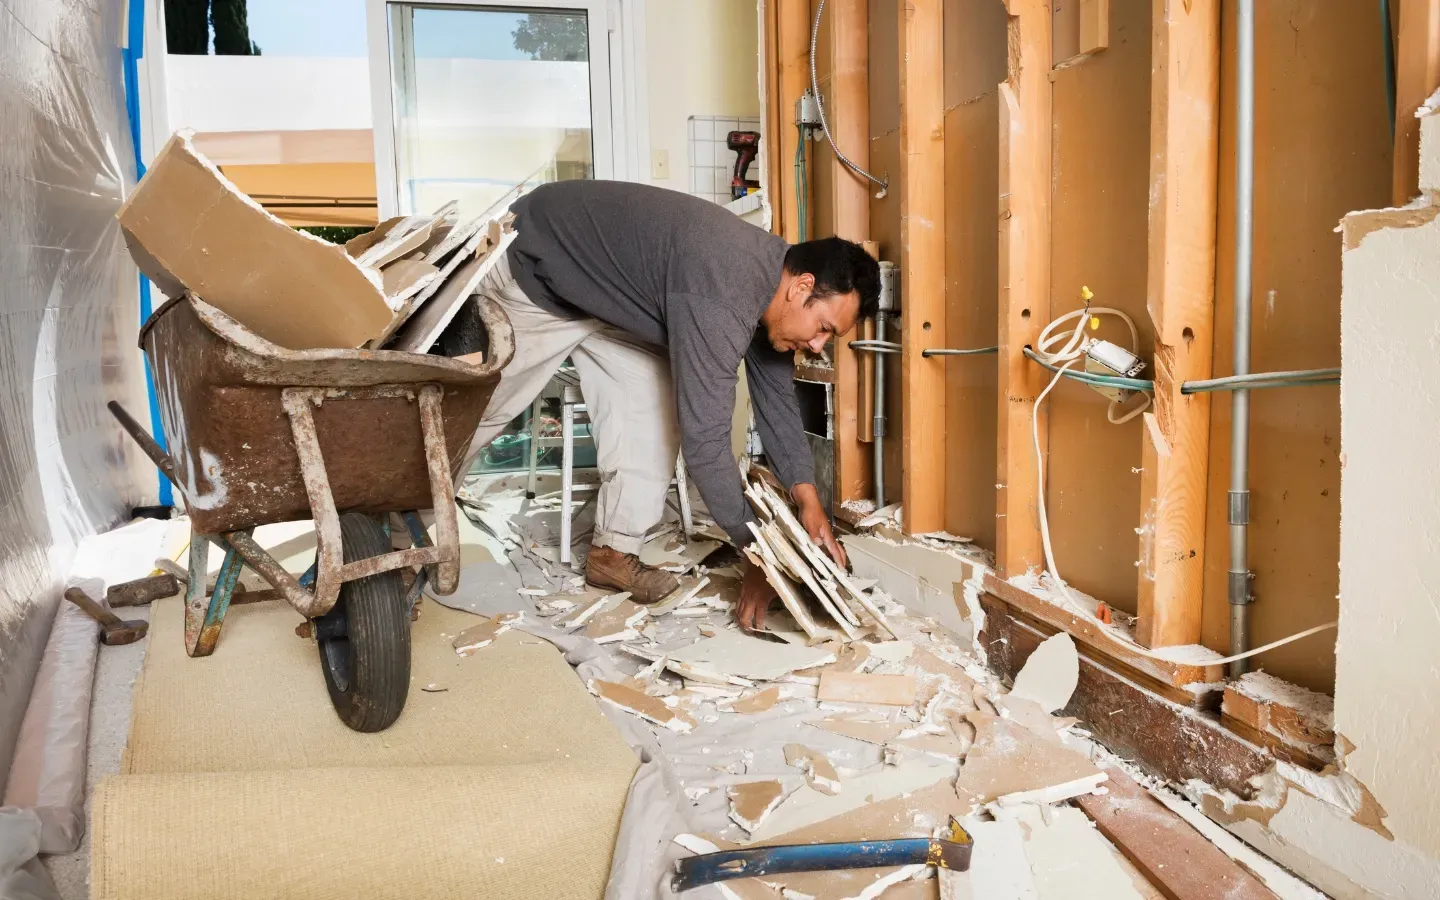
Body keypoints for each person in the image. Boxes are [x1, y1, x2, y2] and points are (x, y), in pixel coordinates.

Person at [465, 179, 880, 631]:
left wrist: (808, 497)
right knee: (477, 413)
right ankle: (411, 530)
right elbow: (706, 445)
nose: (819, 346)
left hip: (613, 301)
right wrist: (757, 552)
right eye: (823, 328)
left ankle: (612, 554)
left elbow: (777, 403)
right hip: (539, 270)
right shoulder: (722, 295)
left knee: (652, 416)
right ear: (802, 287)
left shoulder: (769, 292)